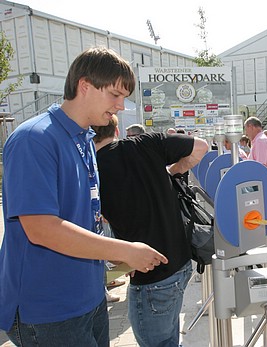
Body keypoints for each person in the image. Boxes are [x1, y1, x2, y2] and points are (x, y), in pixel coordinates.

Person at [0, 47, 167, 347]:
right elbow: (40, 229)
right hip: (49, 310)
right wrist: (126, 250)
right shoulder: (34, 139)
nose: (121, 106)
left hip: (88, 300)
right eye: (115, 94)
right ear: (85, 86)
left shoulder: (86, 139)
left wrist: (114, 254)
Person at [92, 115, 208, 347]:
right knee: (168, 339)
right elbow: (201, 147)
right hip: (181, 261)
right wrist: (173, 172)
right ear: (116, 131)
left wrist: (120, 260)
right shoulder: (146, 143)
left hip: (151, 275)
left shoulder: (91, 172)